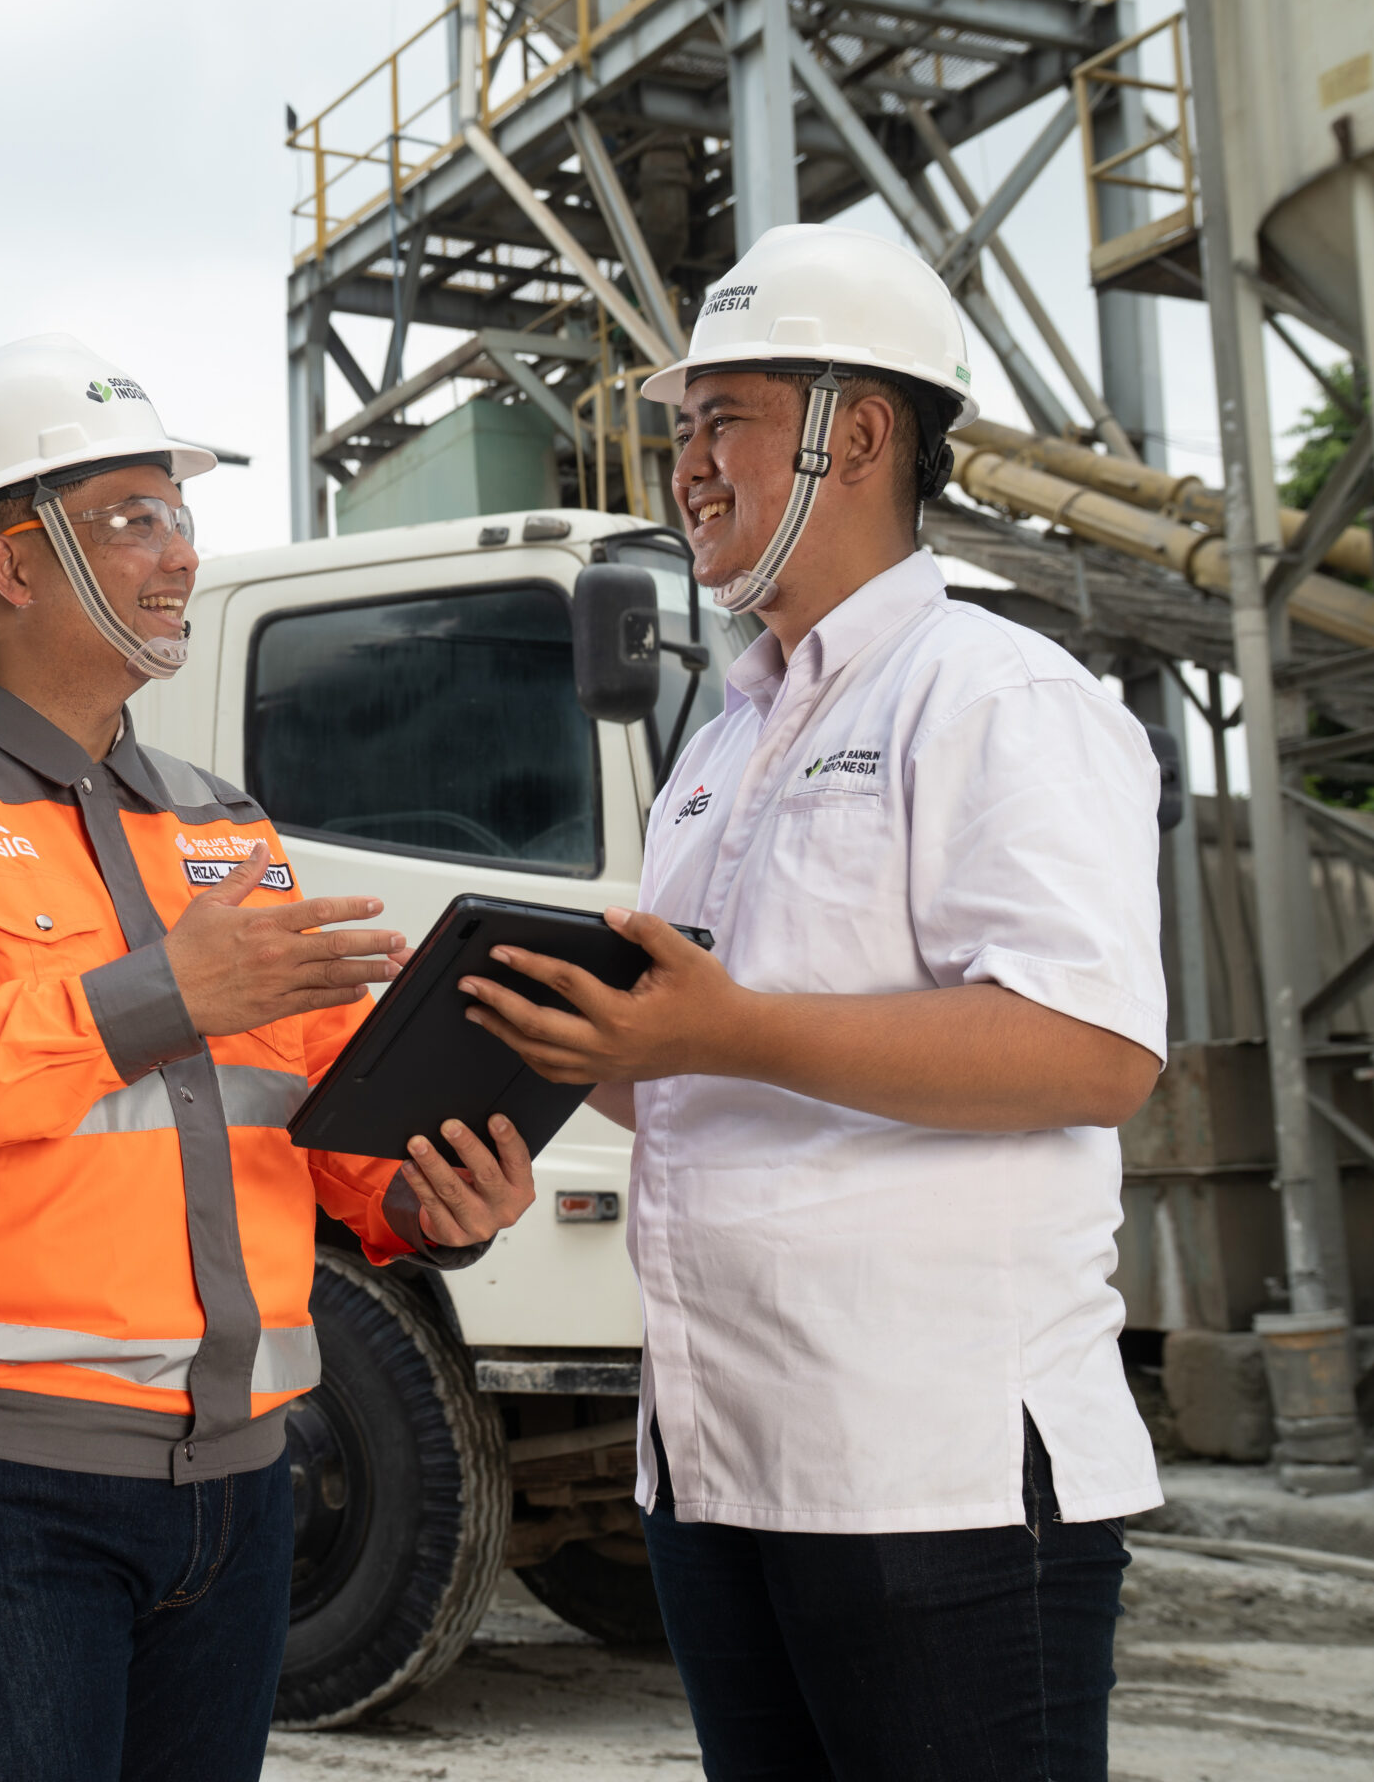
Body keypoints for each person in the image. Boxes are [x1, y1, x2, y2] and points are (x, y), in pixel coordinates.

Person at [0, 333, 537, 1782]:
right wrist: (154, 998)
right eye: (131, 518)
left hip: (243, 1489)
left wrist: (433, 1192)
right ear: (9, 560)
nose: (177, 553)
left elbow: (311, 1106)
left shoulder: (219, 824)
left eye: (179, 515)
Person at [455, 224, 1167, 1781]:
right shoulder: (727, 735)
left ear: (855, 430)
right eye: (683, 426)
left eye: (726, 420)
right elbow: (693, 1070)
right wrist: (529, 1041)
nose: (687, 464)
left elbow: (1093, 1048)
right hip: (719, 1465)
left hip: (937, 1480)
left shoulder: (994, 694)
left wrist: (721, 1030)